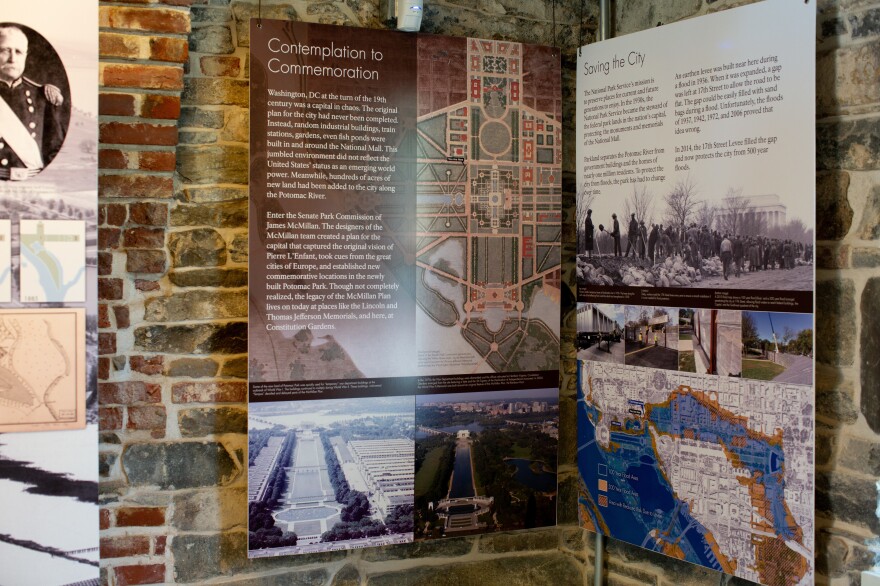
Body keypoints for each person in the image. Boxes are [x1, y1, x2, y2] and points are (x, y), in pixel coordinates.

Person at [0, 25, 66, 181]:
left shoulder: (42, 96)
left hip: (34, 184)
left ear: (25, 56)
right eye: (5, 50)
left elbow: (55, 149)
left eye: (18, 52)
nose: (12, 59)